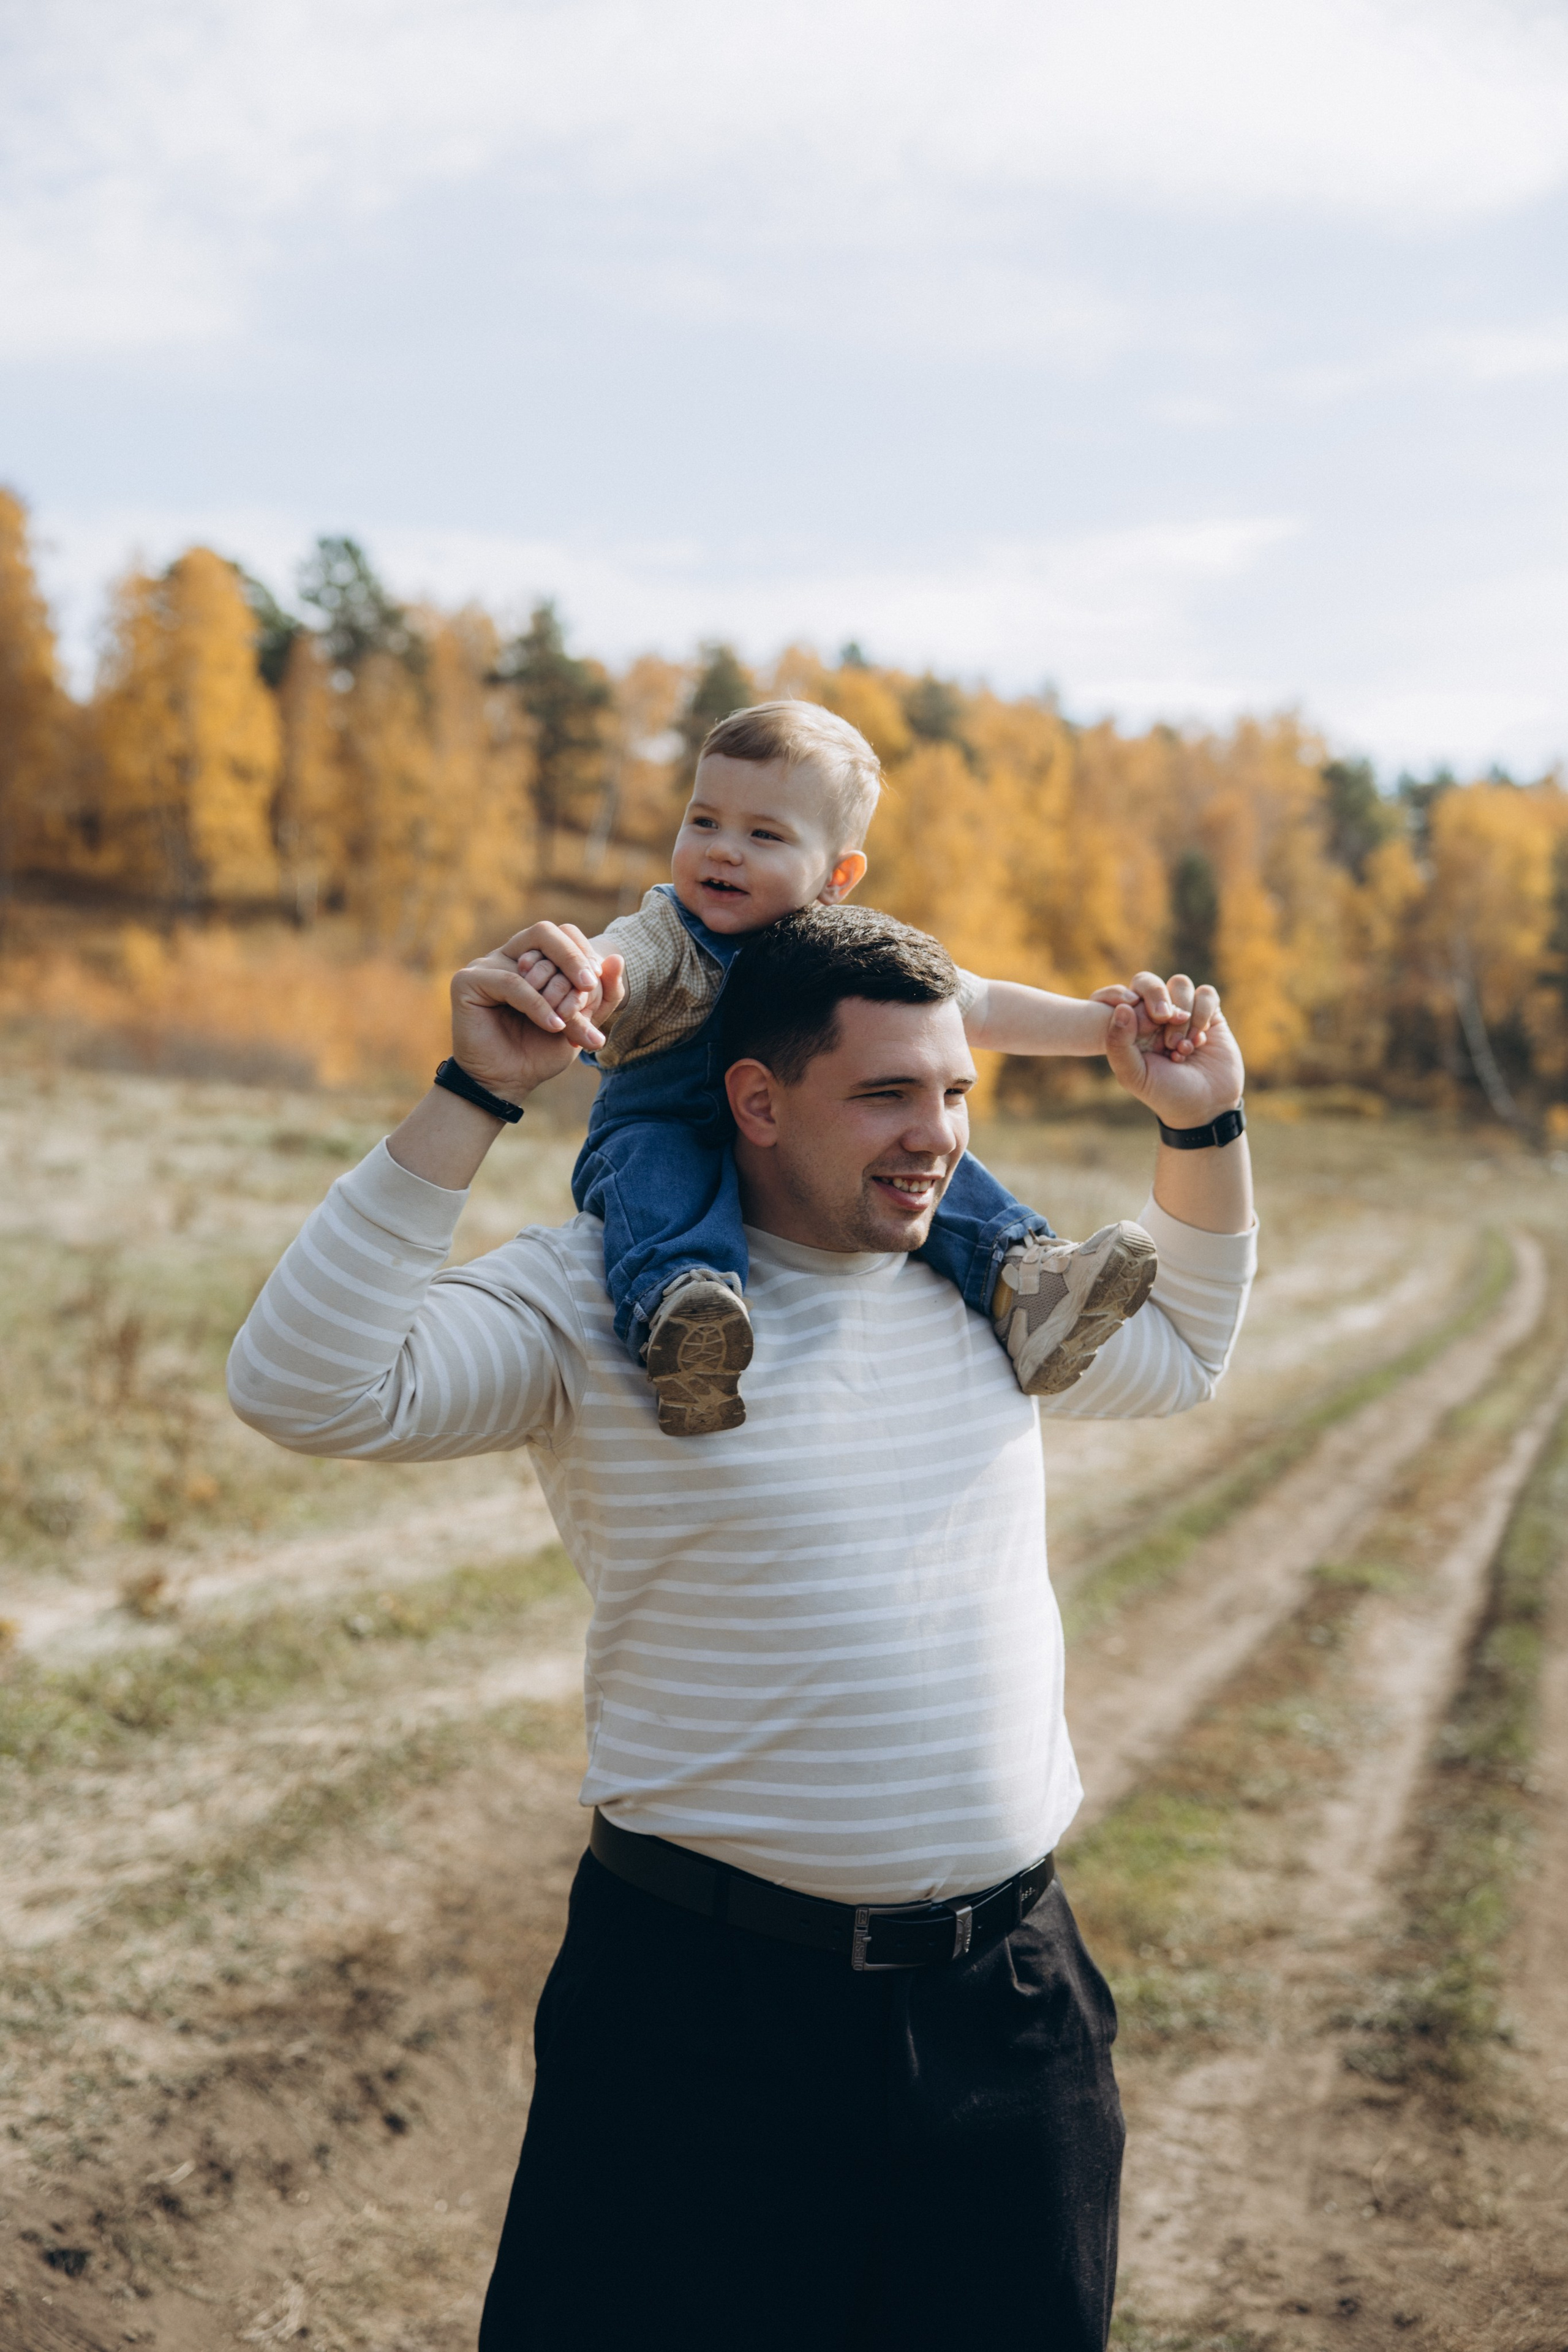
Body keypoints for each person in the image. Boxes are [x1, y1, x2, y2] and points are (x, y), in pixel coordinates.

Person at [227, 903, 1256, 2352]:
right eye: (887, 1093)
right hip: (696, 2026)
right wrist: (474, 1093)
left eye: (954, 1090)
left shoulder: (998, 1297)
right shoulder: (596, 1298)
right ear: (755, 1098)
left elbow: (1185, 1349)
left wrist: (1201, 1127)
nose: (936, 1135)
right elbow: (303, 1385)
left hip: (1009, 2016)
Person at [507, 699, 1177, 1434]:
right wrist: (577, 978)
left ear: (838, 876)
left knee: (918, 1149)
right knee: (655, 1178)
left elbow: (977, 1007)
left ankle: (1026, 1281)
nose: (722, 850)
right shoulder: (670, 934)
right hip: (668, 1124)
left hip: (809, 1144)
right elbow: (619, 961)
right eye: (703, 821)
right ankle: (685, 1327)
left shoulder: (847, 953)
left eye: (763, 834)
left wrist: (1101, 1028)